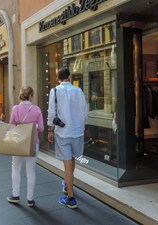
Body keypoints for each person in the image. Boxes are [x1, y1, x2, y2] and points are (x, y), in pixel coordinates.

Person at [47, 68, 88, 209]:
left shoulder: (55, 91)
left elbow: (52, 112)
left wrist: (50, 129)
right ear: (69, 77)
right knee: (72, 160)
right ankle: (67, 182)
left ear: (58, 77)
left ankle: (71, 198)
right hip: (77, 131)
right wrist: (82, 126)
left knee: (67, 164)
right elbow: (85, 111)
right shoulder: (78, 90)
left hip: (63, 132)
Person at [7, 86, 44, 207]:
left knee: (16, 168)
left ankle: (15, 195)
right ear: (31, 96)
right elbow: (42, 128)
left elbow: (11, 126)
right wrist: (32, 128)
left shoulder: (15, 109)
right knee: (31, 171)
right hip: (33, 143)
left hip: (18, 143)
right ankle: (30, 199)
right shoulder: (37, 109)